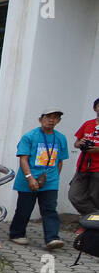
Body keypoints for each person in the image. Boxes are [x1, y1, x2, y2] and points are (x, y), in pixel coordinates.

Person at [9, 107, 69, 249]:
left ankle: (52, 238)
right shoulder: (30, 136)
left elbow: (59, 161)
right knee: (24, 208)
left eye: (55, 117)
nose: (51, 120)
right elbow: (23, 159)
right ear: (40, 119)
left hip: (50, 181)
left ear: (59, 121)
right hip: (28, 178)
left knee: (50, 209)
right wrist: (30, 178)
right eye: (48, 116)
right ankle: (16, 233)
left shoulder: (60, 138)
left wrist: (54, 179)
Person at [69, 96, 99, 217]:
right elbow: (76, 143)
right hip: (83, 166)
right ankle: (94, 218)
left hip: (98, 169)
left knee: (95, 198)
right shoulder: (88, 124)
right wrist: (80, 143)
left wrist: (97, 149)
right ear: (94, 108)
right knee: (74, 196)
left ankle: (91, 226)